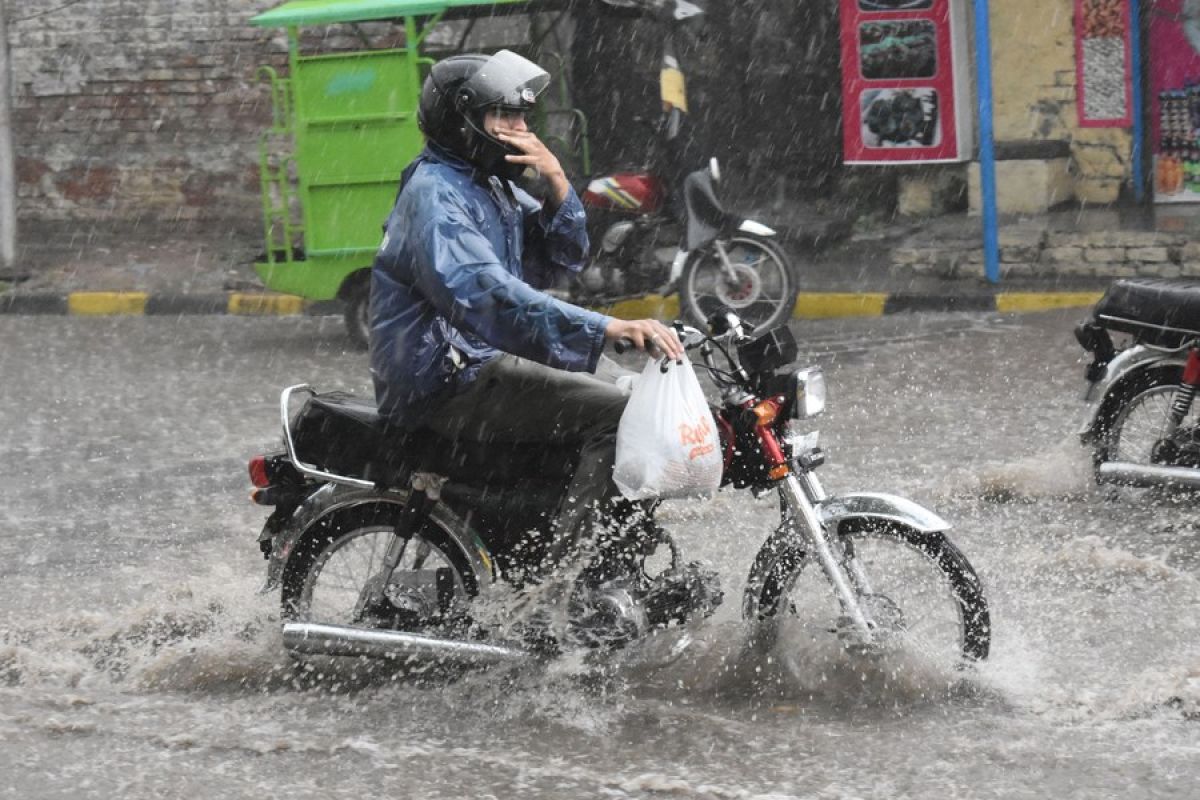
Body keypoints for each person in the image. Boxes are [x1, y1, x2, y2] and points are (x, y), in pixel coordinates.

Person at [369, 50, 682, 573]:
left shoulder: (487, 184)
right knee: (620, 418)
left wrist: (557, 180)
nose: (521, 131)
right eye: (505, 117)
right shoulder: (436, 195)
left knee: (637, 396)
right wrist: (607, 328)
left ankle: (575, 553)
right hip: (446, 380)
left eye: (523, 118)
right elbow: (489, 297)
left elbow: (561, 257)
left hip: (476, 361)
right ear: (464, 121)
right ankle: (561, 588)